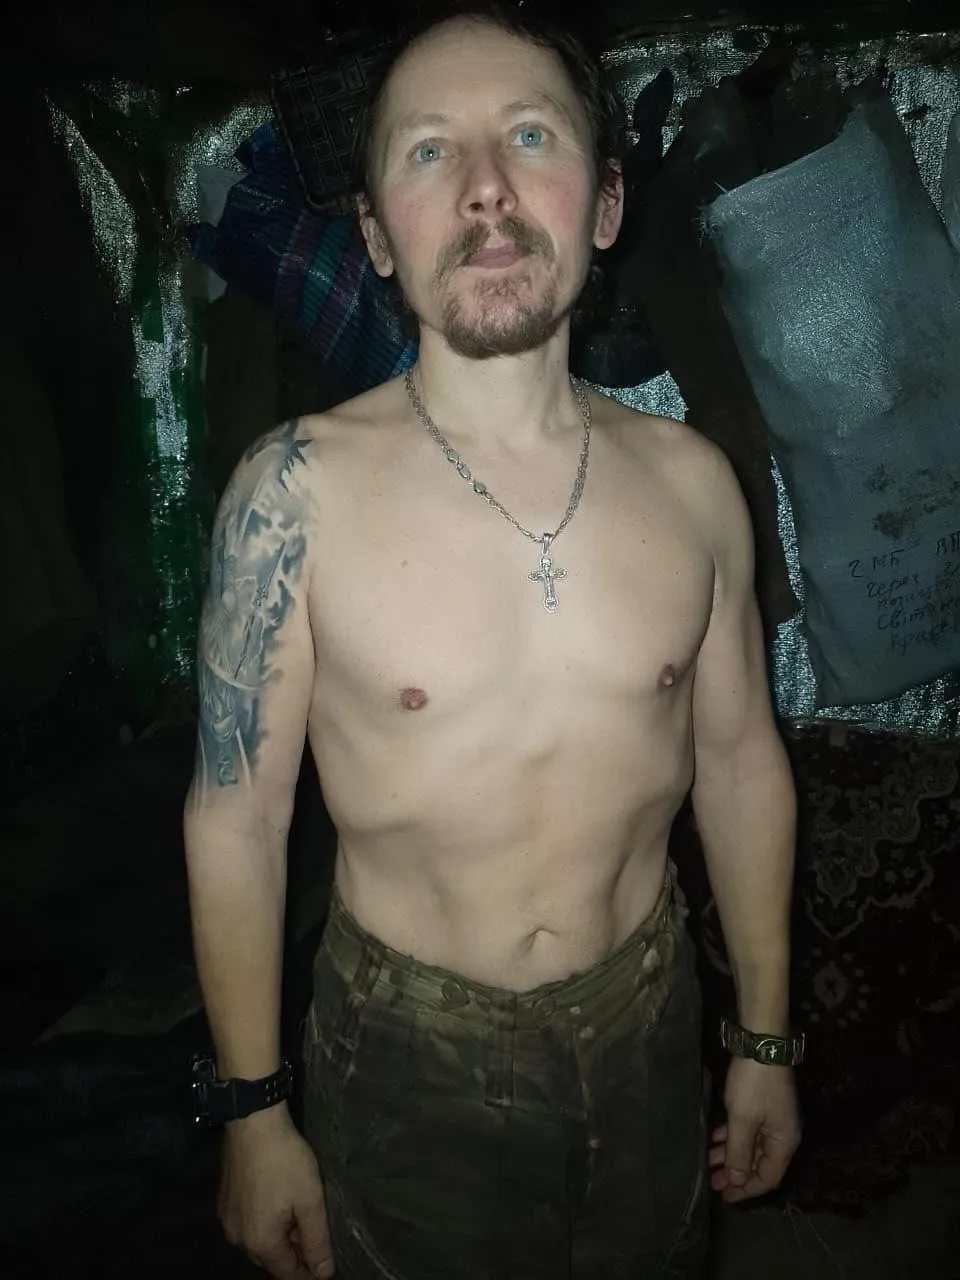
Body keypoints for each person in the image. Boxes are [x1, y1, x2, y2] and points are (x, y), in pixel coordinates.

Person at [183, 4, 802, 1277]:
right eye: (428, 151)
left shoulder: (695, 486)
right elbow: (236, 815)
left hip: (649, 1014)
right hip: (408, 1048)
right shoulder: (292, 495)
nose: (484, 188)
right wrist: (252, 1110)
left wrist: (765, 1036)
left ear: (606, 202)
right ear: (375, 236)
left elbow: (743, 765)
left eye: (530, 135)